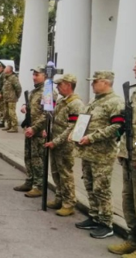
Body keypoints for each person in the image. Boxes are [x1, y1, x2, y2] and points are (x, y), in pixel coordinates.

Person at [74, 71, 124, 239]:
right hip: (88, 152)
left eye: (95, 82)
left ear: (105, 82)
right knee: (89, 185)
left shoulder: (115, 102)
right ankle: (94, 216)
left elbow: (116, 127)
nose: (92, 84)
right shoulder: (95, 101)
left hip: (102, 153)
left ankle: (106, 223)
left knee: (101, 189)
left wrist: (92, 137)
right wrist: (76, 134)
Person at [43, 74, 84, 216]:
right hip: (55, 142)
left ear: (68, 85)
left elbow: (72, 128)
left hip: (65, 145)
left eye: (60, 85)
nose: (58, 88)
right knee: (56, 173)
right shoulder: (62, 101)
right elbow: (54, 119)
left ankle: (69, 203)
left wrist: (56, 141)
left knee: (65, 174)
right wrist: (47, 132)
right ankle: (59, 198)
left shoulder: (76, 104)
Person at [108, 62, 136, 256]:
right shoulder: (134, 93)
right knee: (128, 201)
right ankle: (133, 240)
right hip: (129, 155)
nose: (134, 68)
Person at [14, 65, 53, 197]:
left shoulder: (47, 91)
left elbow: (47, 114)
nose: (34, 77)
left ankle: (39, 186)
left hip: (39, 131)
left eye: (37, 75)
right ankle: (30, 181)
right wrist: (25, 107)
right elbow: (34, 108)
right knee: (29, 157)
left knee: (38, 160)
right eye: (33, 74)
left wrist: (35, 128)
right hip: (30, 129)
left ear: (45, 76)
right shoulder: (34, 91)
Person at [1, 65, 21, 132]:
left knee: (12, 113)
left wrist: (16, 96)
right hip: (6, 98)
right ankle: (9, 126)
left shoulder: (13, 78)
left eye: (6, 68)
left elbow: (18, 88)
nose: (4, 69)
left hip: (12, 99)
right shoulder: (6, 77)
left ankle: (14, 127)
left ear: (9, 70)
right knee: (6, 113)